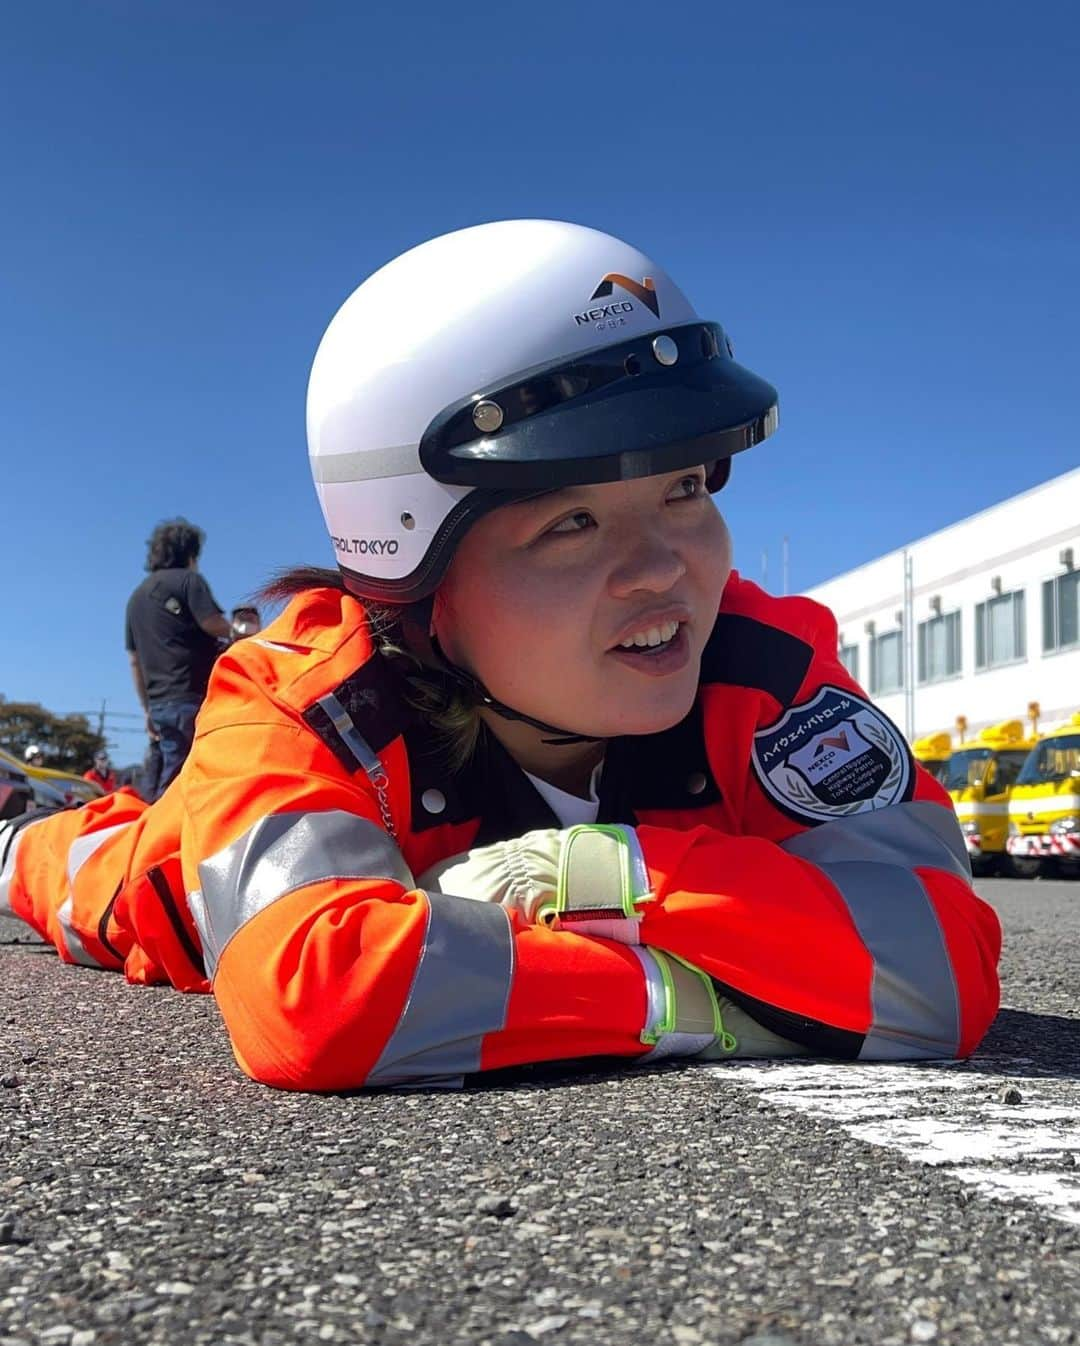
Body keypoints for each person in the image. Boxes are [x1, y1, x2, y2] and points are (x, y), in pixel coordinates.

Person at [0, 220, 1001, 1093]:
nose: (663, 569)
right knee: (87, 871)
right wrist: (717, 1000)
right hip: (161, 871)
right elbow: (322, 993)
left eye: (686, 489)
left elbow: (944, 959)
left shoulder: (764, 663)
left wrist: (608, 872)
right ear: (410, 561)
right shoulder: (304, 696)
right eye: (571, 519)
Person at [124, 519, 233, 799]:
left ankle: (158, 829)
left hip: (160, 703)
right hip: (192, 695)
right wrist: (245, 632)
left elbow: (134, 662)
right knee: (204, 774)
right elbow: (213, 624)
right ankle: (171, 837)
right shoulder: (188, 581)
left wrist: (147, 708)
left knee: (171, 771)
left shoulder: (136, 598)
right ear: (191, 554)